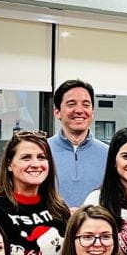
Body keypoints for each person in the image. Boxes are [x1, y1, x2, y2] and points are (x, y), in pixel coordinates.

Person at [47, 79, 109, 207]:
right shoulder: (42, 152)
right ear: (57, 112)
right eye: (71, 104)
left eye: (86, 105)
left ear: (92, 113)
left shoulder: (110, 154)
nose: (79, 110)